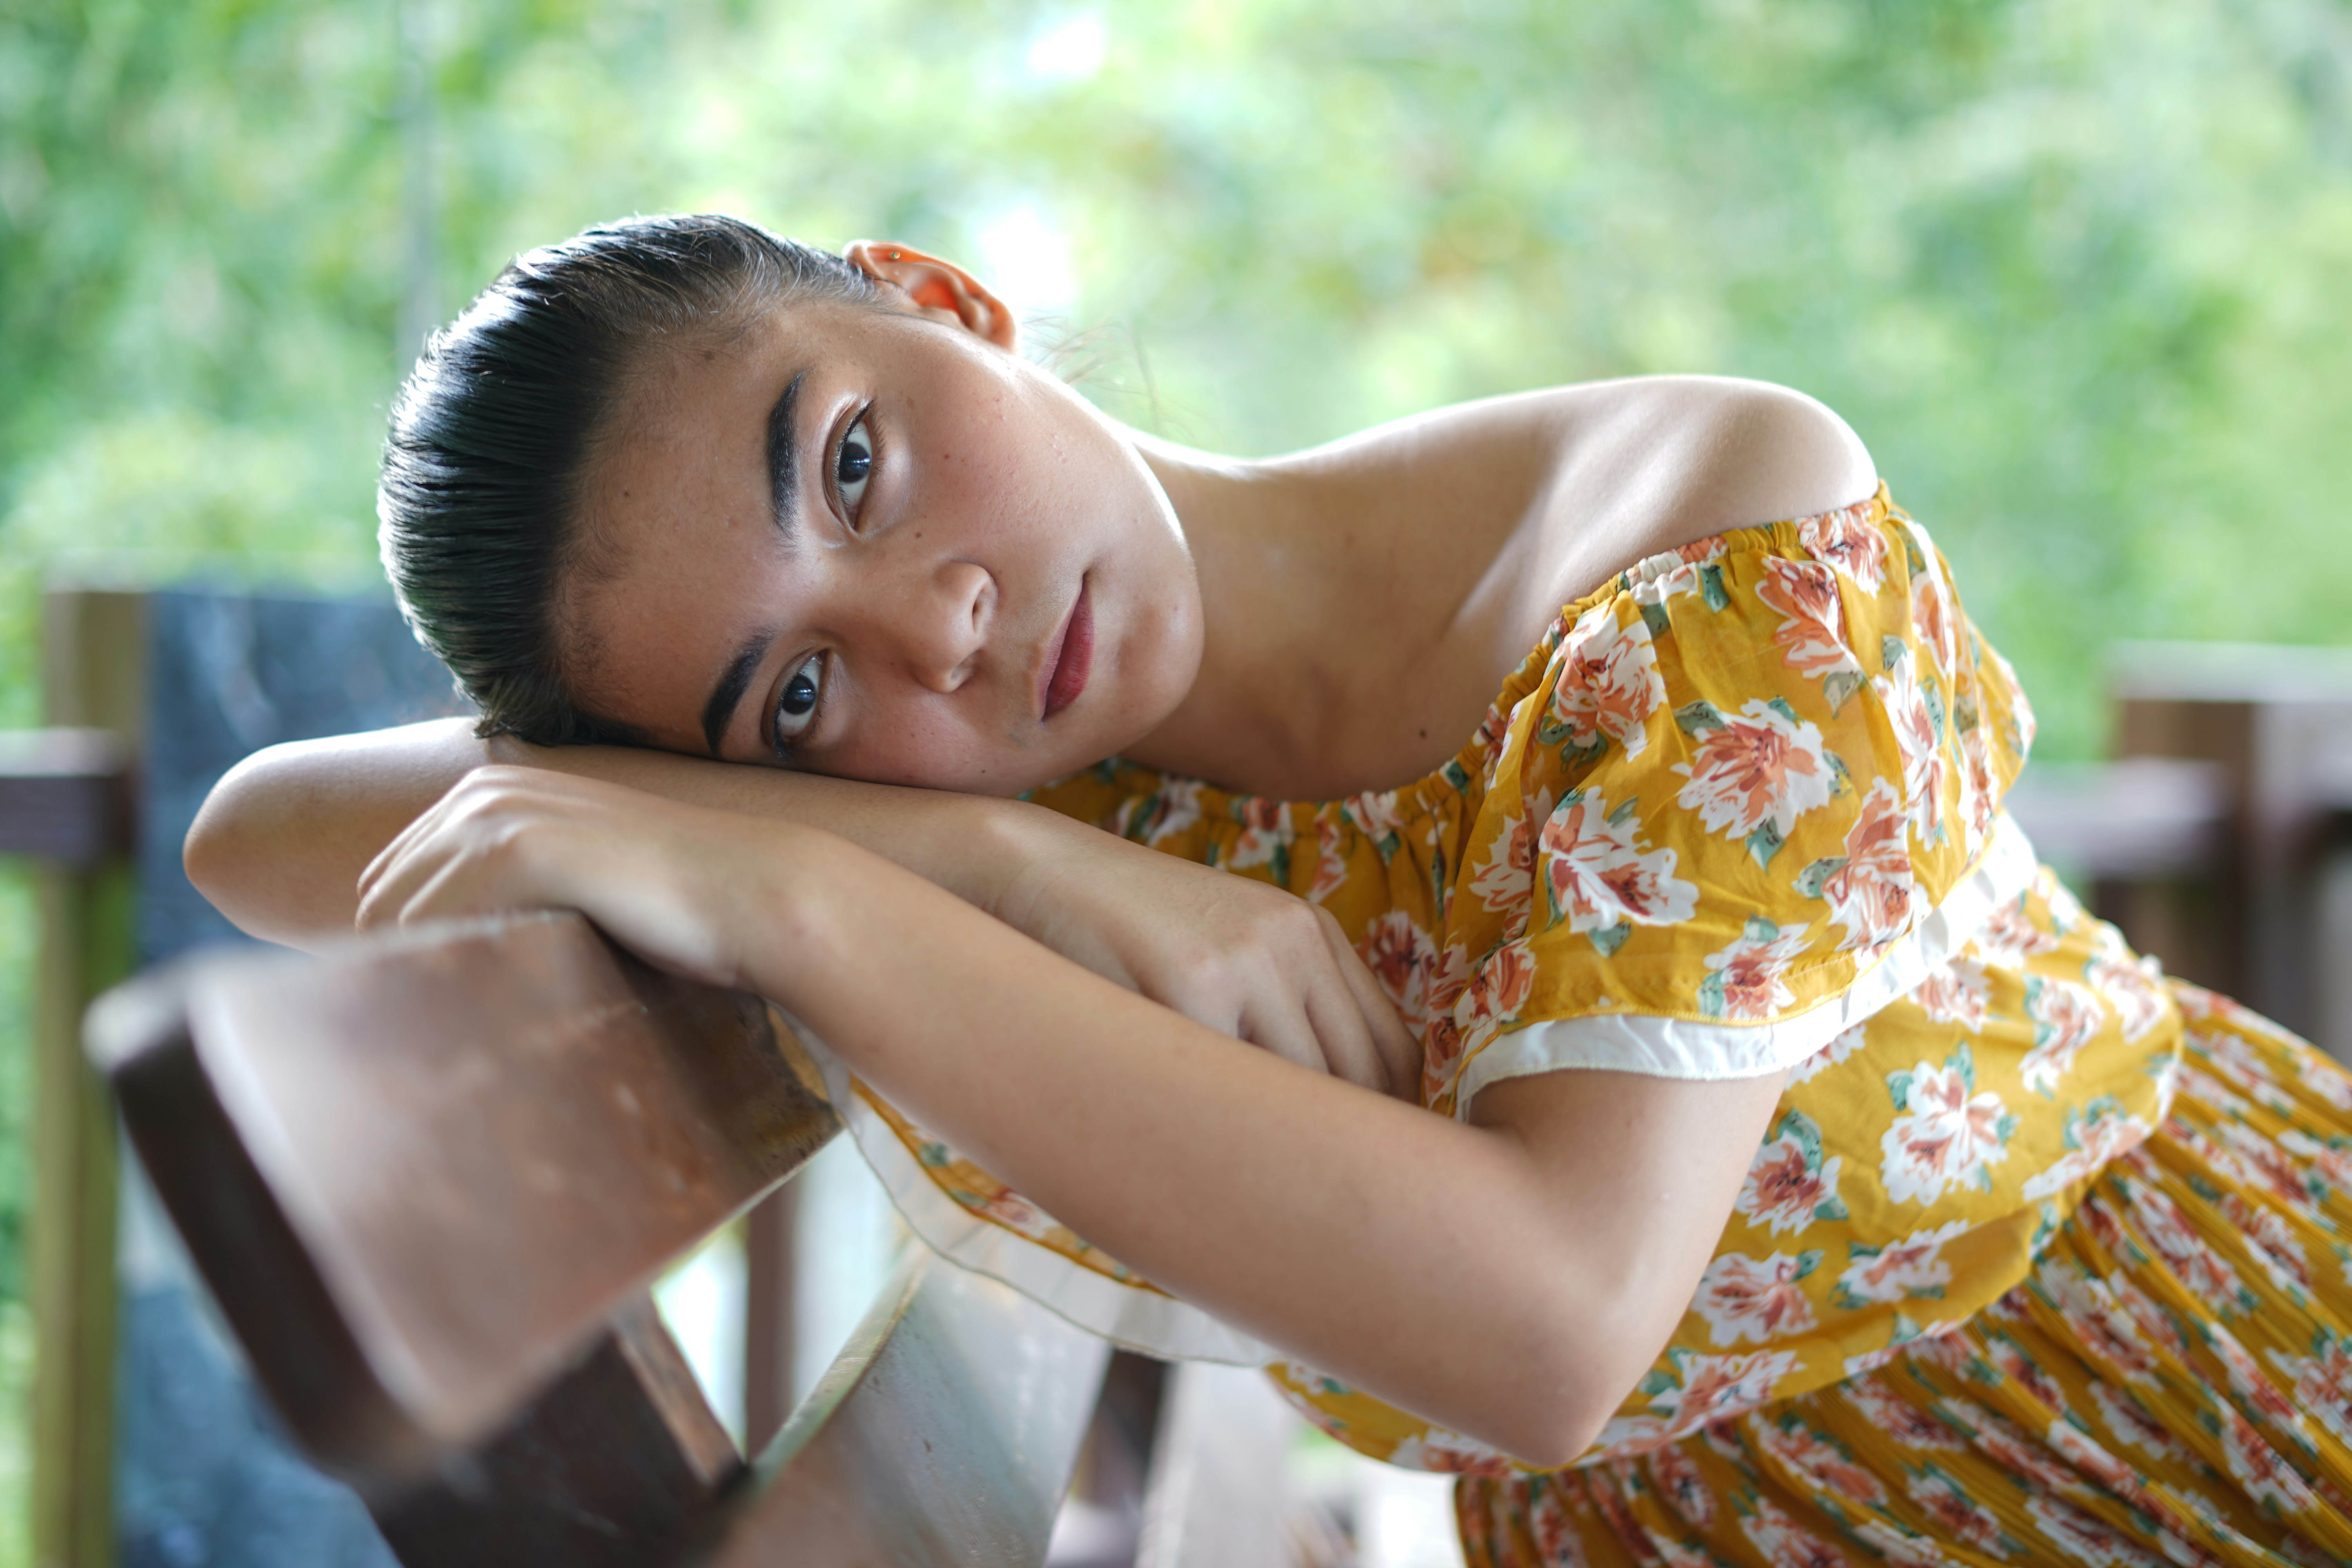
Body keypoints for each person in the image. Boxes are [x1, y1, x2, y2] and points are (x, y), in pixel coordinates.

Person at [189, 214, 2352, 1567]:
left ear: (942, 298)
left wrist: (816, 899)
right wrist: (972, 848)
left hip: (2191, 1401)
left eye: (852, 460)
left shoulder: (1697, 542)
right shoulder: (1038, 793)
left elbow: (1548, 1330)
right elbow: (265, 831)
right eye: (794, 698)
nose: (935, 628)